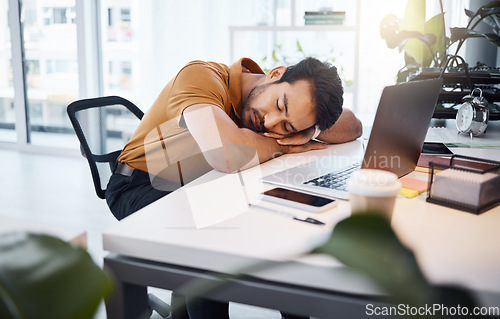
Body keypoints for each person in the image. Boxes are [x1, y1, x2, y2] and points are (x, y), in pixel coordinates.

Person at [105, 57, 362, 319]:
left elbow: (353, 126)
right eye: (279, 105)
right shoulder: (201, 77)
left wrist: (309, 130)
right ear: (275, 74)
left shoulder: (272, 99)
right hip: (138, 184)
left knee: (282, 220)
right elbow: (225, 154)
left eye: (286, 127)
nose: (270, 123)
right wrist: (285, 143)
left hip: (203, 183)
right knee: (211, 246)